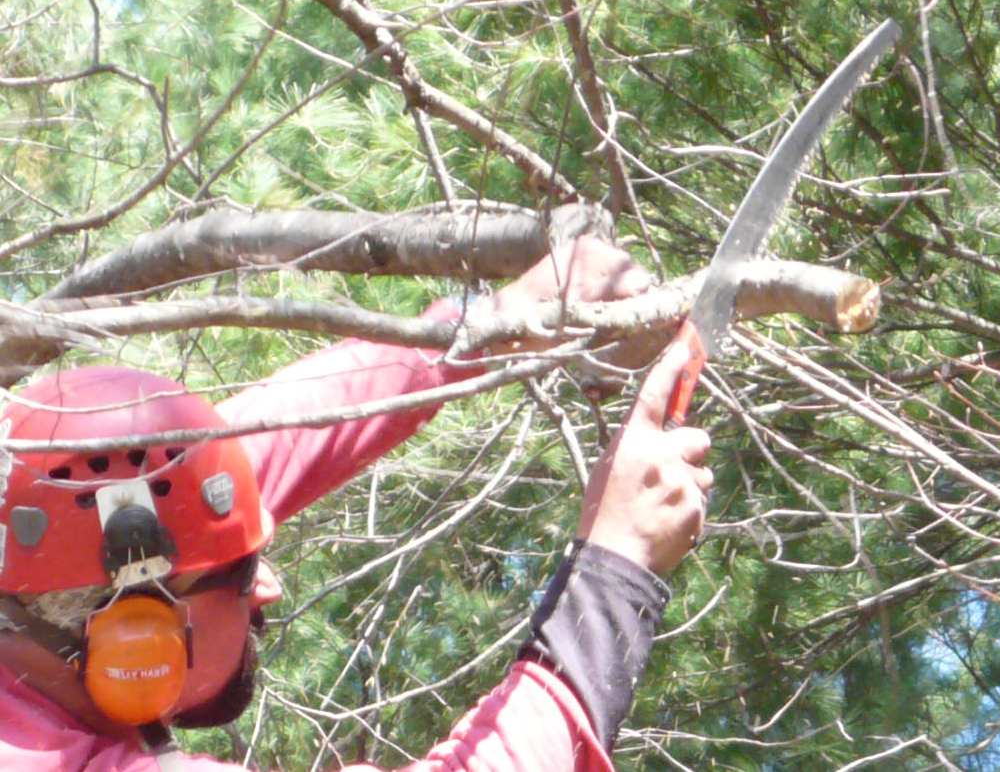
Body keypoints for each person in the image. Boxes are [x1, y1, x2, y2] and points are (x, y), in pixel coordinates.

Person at [0, 237, 713, 772]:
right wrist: (616, 564)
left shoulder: (32, 561)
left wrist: (492, 322)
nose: (269, 585)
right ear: (136, 638)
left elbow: (267, 436)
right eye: (243, 571)